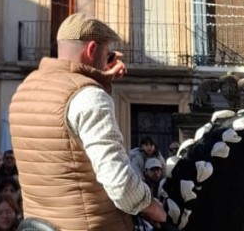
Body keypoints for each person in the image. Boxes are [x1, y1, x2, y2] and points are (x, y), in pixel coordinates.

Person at [9, 13, 165, 231]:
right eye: (106, 53)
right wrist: (150, 205)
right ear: (91, 49)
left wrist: (100, 76)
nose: (109, 60)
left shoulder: (24, 90)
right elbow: (120, 183)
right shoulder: (90, 96)